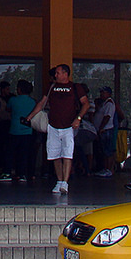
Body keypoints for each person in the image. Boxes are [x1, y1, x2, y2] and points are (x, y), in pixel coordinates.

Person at [25, 64, 89, 194]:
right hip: (53, 126)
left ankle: (65, 182)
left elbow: (85, 104)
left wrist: (78, 118)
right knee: (55, 155)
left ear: (65, 74)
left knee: (67, 154)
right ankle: (59, 181)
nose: (56, 75)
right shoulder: (52, 87)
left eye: (58, 73)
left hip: (68, 127)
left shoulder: (75, 87)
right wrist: (30, 117)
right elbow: (42, 102)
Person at [7, 80, 36, 183]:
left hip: (14, 130)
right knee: (25, 154)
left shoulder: (13, 100)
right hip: (28, 131)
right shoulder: (33, 102)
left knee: (11, 153)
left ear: (19, 89)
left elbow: (8, 109)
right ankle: (23, 174)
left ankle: (8, 172)